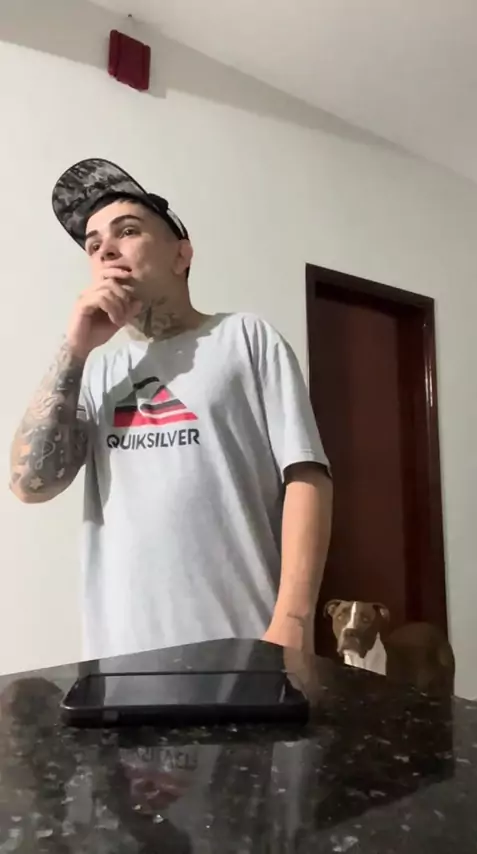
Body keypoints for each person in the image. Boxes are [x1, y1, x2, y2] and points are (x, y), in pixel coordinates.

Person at [9, 158, 332, 661]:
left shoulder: (245, 338)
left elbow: (306, 476)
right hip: (120, 662)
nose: (106, 250)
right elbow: (30, 484)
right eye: (93, 245)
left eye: (127, 231)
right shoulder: (97, 370)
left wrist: (293, 621)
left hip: (245, 649)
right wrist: (75, 348)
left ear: (182, 254)